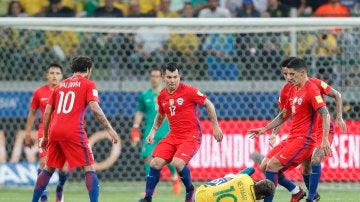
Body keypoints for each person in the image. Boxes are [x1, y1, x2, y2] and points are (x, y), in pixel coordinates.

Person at [31, 56, 120, 202]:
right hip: (73, 131)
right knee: (89, 168)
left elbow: (47, 112)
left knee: (48, 169)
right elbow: (95, 108)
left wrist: (46, 136)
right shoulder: (88, 84)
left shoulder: (60, 85)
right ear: (88, 70)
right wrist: (110, 129)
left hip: (54, 131)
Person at [248, 58, 331, 202]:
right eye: (286, 74)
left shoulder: (311, 89)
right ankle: (296, 191)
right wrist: (265, 128)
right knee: (264, 165)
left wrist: (324, 140)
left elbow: (325, 113)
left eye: (292, 74)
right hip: (293, 137)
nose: (288, 78)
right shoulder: (293, 89)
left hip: (305, 140)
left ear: (303, 73)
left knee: (273, 165)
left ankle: (303, 196)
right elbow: (284, 114)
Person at [139, 62, 223, 202]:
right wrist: (153, 131)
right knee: (155, 163)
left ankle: (190, 190)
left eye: (175, 77)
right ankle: (147, 198)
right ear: (164, 78)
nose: (172, 80)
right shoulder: (162, 96)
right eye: (169, 77)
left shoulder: (189, 91)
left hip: (191, 136)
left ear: (179, 76)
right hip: (173, 136)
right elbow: (160, 115)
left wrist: (216, 126)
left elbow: (208, 104)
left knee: (177, 163)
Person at [130, 67, 181, 195]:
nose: (155, 78)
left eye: (157, 76)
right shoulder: (145, 95)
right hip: (150, 131)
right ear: (150, 78)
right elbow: (140, 111)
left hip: (167, 131)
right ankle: (151, 189)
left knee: (168, 158)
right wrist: (135, 127)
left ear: (162, 78)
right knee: (148, 158)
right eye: (152, 76)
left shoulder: (170, 93)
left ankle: (175, 178)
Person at [24, 63, 68, 202]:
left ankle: (60, 187)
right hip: (45, 129)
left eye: (57, 73)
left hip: (63, 130)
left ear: (62, 76)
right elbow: (32, 113)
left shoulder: (67, 92)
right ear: (47, 75)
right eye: (52, 73)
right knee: (44, 162)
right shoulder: (39, 92)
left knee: (64, 168)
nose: (54, 76)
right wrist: (27, 133)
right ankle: (43, 195)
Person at [195, 168, 275, 202]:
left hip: (201, 192)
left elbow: (250, 169)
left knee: (230, 177)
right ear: (262, 197)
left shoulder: (245, 178)